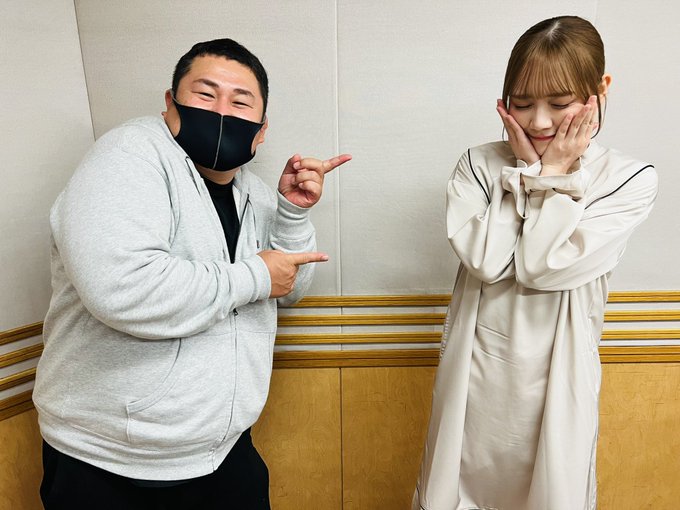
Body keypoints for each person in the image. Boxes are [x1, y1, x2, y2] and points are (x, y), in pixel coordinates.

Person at [33, 38, 350, 509]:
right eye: (205, 94)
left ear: (261, 130)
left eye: (240, 102)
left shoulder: (254, 192)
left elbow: (289, 290)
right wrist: (255, 277)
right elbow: (123, 288)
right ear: (170, 103)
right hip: (110, 460)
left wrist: (291, 213)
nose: (221, 111)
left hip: (222, 451)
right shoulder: (127, 156)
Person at [413, 16, 657, 510]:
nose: (539, 122)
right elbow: (487, 262)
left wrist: (550, 176)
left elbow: (540, 267)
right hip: (473, 384)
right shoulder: (478, 165)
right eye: (521, 104)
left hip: (559, 384)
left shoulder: (628, 179)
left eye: (560, 104)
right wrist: (530, 171)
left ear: (600, 91)